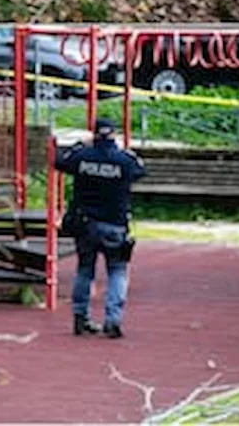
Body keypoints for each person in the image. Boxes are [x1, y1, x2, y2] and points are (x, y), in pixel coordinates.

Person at [55, 118, 147, 339]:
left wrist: (80, 144)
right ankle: (113, 320)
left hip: (85, 225)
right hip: (115, 225)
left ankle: (80, 318)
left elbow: (59, 161)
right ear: (113, 134)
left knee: (85, 270)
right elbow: (141, 170)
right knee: (117, 271)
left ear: (94, 134)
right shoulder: (124, 160)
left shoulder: (82, 156)